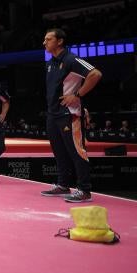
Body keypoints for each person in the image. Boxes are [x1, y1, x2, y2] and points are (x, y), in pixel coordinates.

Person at [41, 28, 103, 202]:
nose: (44, 42)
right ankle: (63, 185)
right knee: (59, 152)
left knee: (77, 151)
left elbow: (95, 74)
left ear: (59, 41)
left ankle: (84, 190)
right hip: (53, 114)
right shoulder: (50, 63)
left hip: (69, 114)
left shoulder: (71, 59)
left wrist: (77, 96)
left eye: (48, 39)